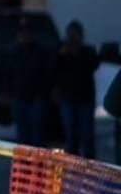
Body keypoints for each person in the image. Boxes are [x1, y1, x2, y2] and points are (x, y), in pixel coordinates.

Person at [53, 21, 99, 161]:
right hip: (67, 99)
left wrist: (77, 52)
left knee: (87, 137)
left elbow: (94, 65)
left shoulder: (88, 52)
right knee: (71, 136)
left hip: (85, 99)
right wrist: (63, 54)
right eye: (70, 35)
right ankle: (73, 166)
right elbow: (53, 69)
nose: (73, 38)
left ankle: (90, 166)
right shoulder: (61, 53)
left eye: (75, 35)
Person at [10, 16, 55, 147]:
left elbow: (48, 75)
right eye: (22, 31)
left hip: (37, 99)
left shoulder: (41, 52)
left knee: (37, 138)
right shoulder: (15, 52)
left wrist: (44, 93)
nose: (25, 35)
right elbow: (9, 75)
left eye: (28, 31)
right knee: (22, 138)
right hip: (20, 98)